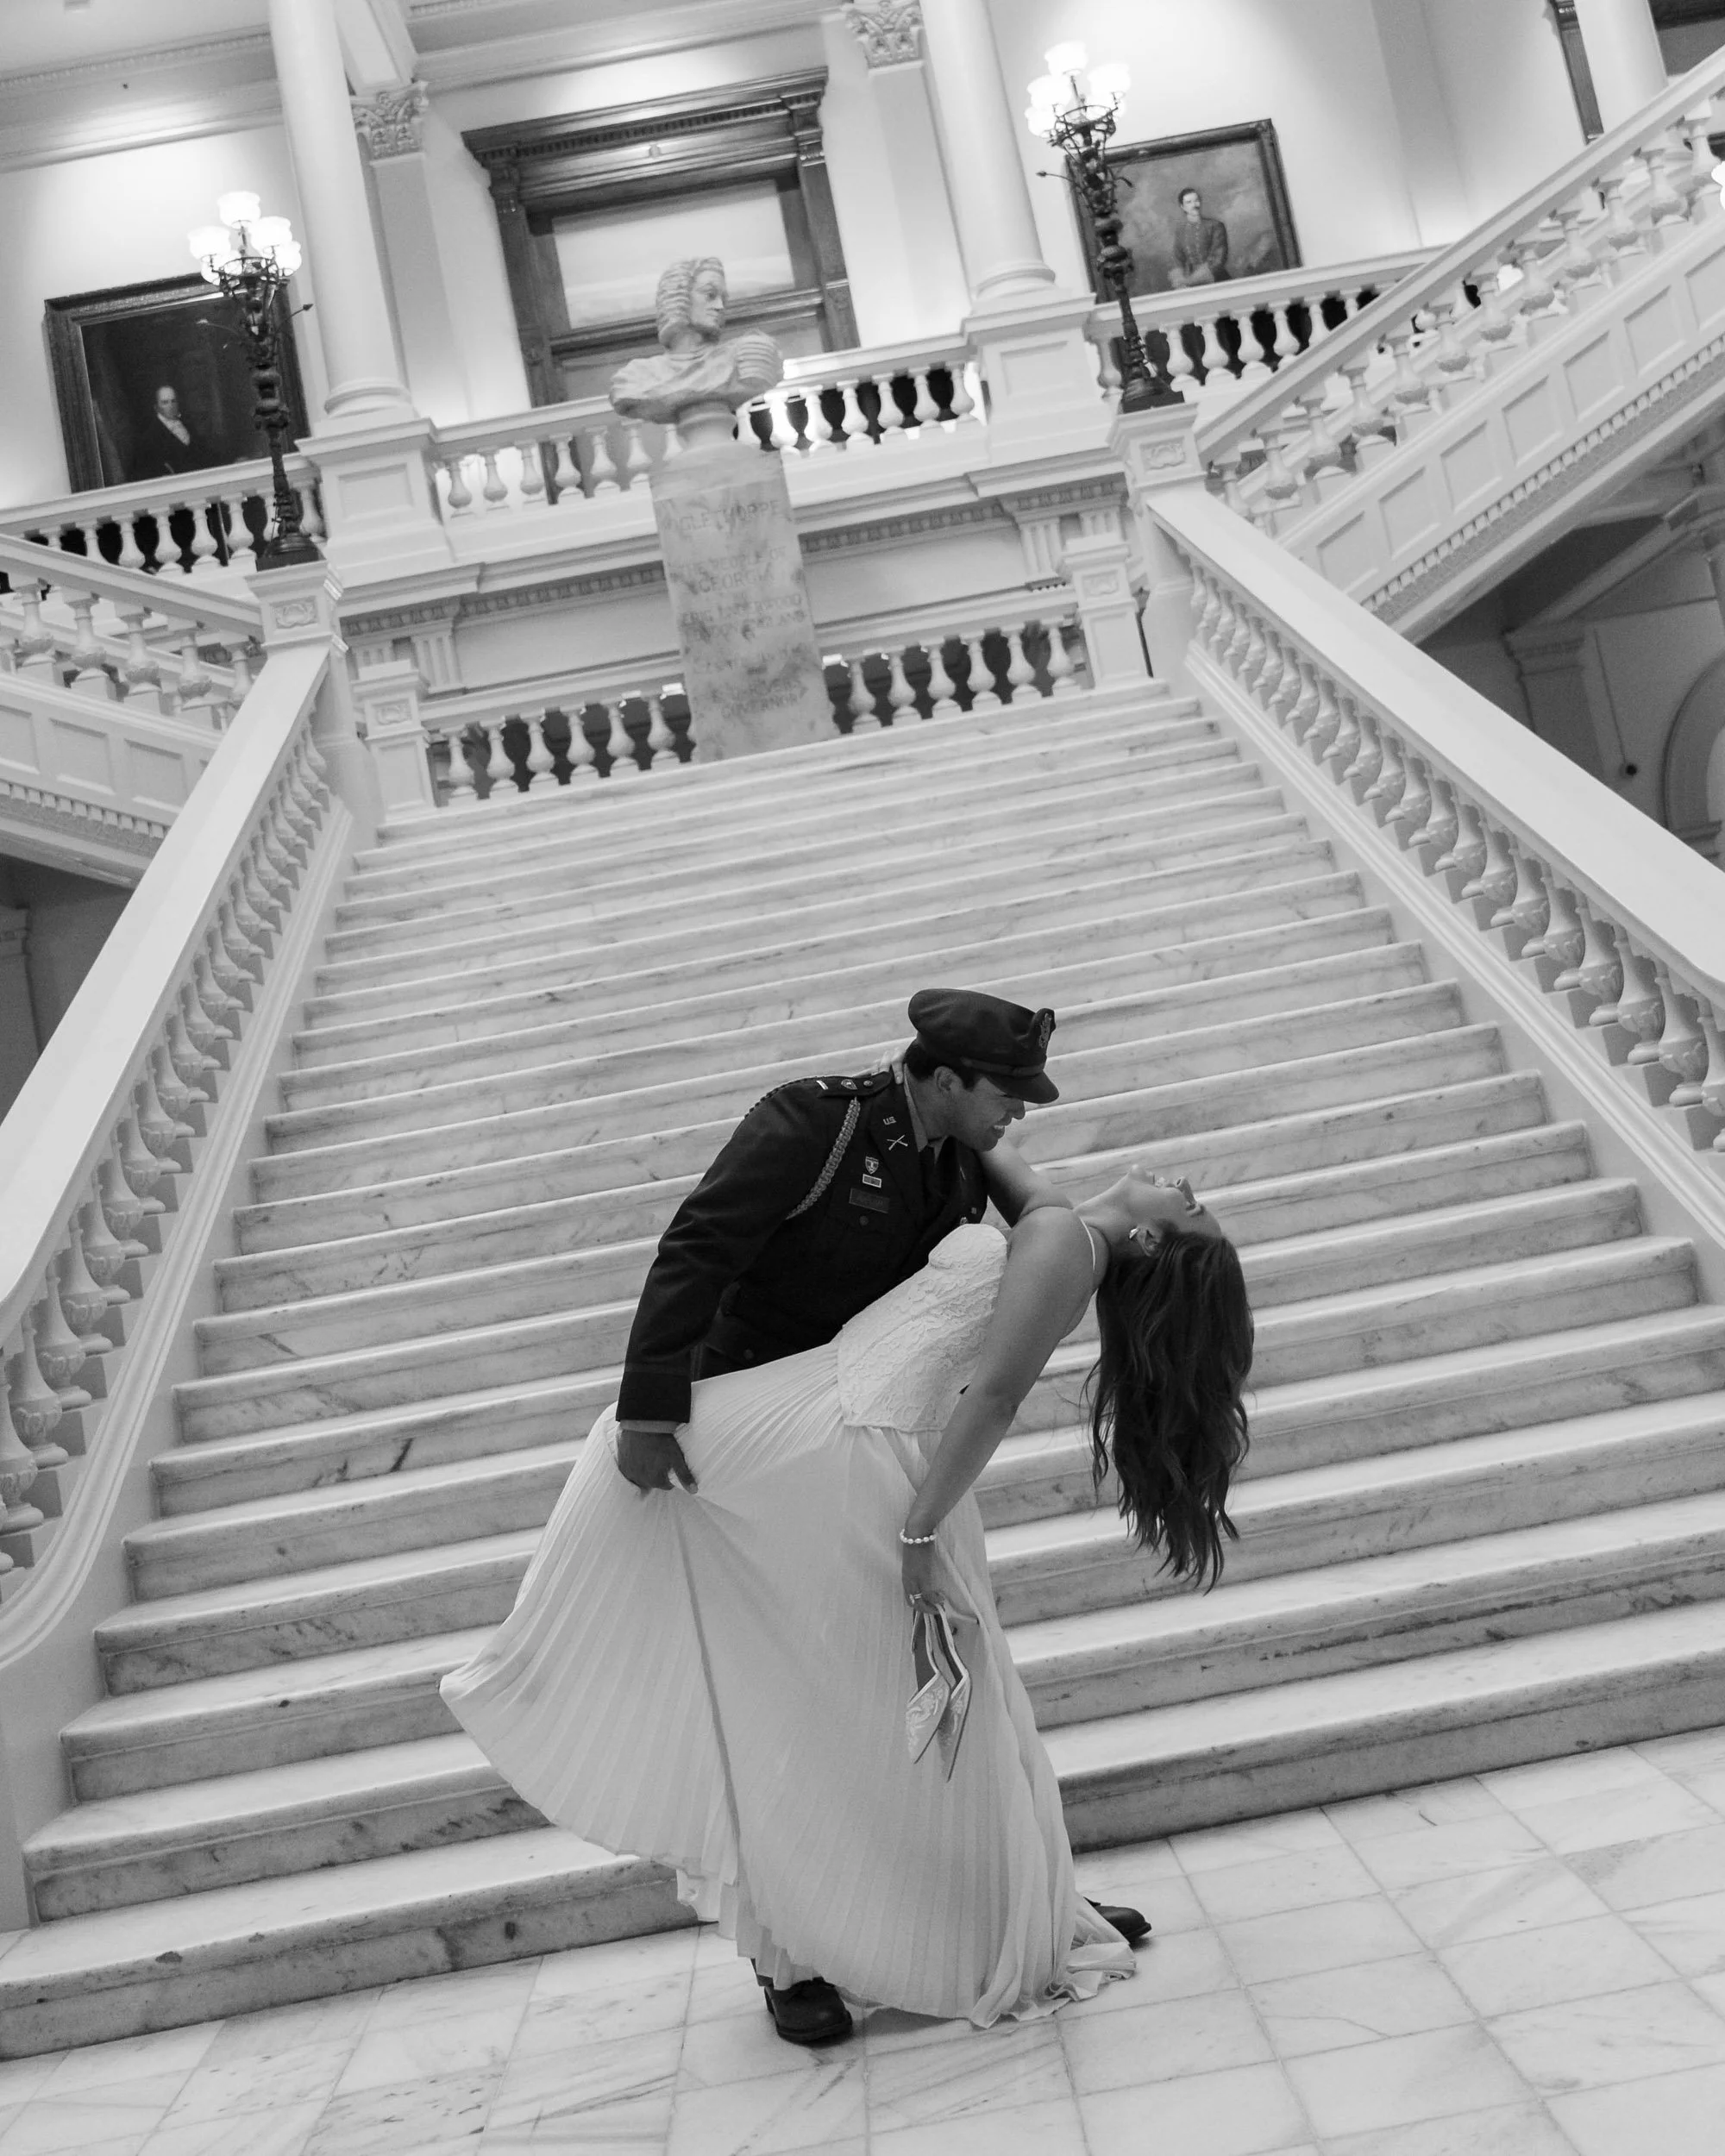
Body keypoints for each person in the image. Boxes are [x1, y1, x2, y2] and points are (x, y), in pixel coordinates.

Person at [441, 1154, 1253, 2043]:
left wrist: (917, 1528)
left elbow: (994, 1396)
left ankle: (979, 1913)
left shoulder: (1064, 1240)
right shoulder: (1059, 1223)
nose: (1181, 1179)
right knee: (930, 1716)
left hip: (867, 1452)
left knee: (911, 1714)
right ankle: (942, 1916)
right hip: (859, 1437)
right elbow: (1008, 1169)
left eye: (1191, 1205)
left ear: (1148, 1236)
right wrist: (944, 1079)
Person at [132, 385, 205, 479]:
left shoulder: (187, 424)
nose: (171, 406)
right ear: (156, 407)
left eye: (173, 401)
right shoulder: (150, 437)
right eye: (165, 403)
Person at [1169, 186, 1231, 287]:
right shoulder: (1181, 231)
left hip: (1217, 281)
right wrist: (1180, 279)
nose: (1194, 205)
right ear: (1182, 207)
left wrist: (1190, 281)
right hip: (1191, 284)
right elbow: (1178, 258)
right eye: (1189, 202)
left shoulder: (1215, 226)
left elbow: (1218, 259)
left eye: (1196, 201)